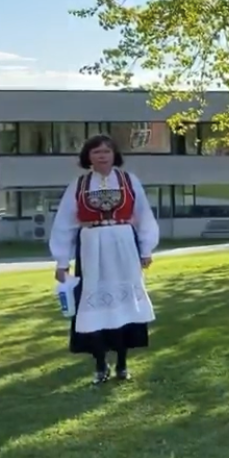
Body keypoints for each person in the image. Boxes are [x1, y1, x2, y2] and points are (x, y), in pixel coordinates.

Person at [49, 135, 160, 385]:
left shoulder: (129, 181)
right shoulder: (78, 185)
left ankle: (122, 364)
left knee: (124, 304)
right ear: (88, 156)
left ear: (114, 155)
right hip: (91, 245)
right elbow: (64, 223)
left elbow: (143, 214)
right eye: (96, 152)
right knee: (94, 304)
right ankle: (100, 364)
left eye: (106, 151)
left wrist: (146, 249)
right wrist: (62, 261)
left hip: (123, 244)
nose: (102, 156)